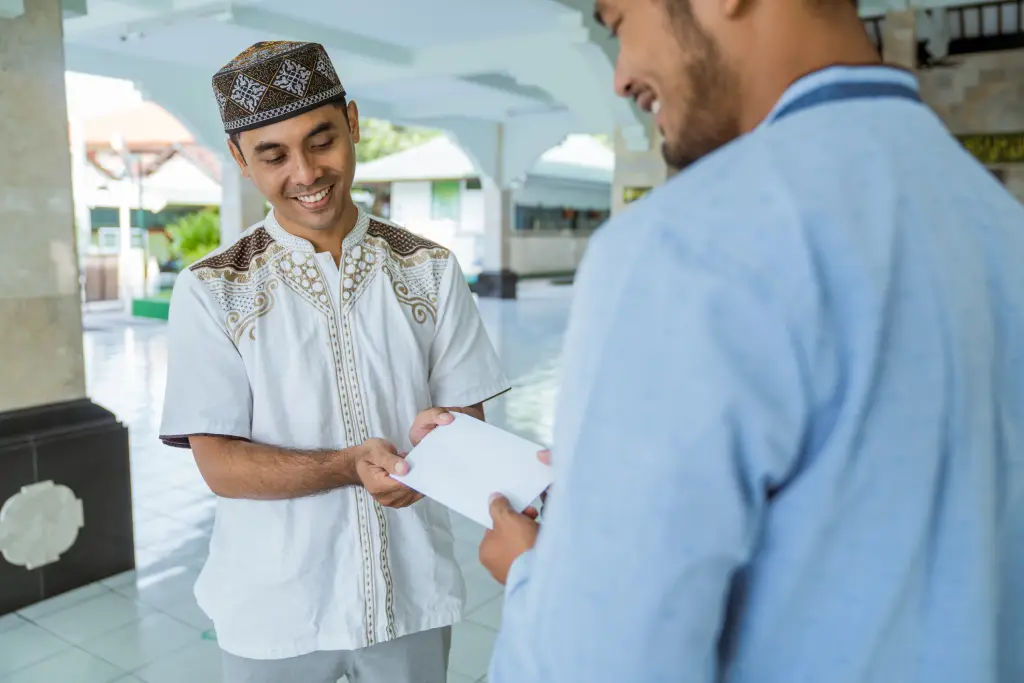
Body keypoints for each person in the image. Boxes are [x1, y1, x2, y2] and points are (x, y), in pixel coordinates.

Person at [478, 0, 1024, 681]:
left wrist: (533, 576)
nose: (619, 76)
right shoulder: (1000, 227)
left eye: (618, 22)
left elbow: (594, 665)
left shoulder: (683, 245)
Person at [159, 40, 510, 683]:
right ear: (240, 159)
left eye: (320, 140)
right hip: (275, 610)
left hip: (411, 596)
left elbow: (465, 415)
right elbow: (221, 464)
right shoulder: (213, 289)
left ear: (352, 124)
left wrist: (445, 442)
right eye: (273, 154)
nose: (306, 172)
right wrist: (350, 466)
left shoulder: (428, 270)